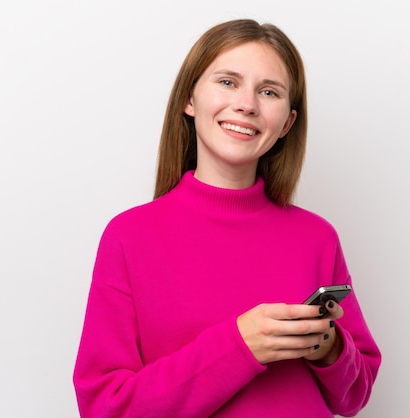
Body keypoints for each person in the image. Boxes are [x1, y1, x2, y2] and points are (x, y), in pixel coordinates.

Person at [73, 18, 381, 417]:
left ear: (287, 122)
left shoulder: (317, 237)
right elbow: (104, 408)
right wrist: (241, 346)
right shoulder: (129, 237)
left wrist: (327, 346)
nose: (247, 104)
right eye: (228, 82)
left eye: (269, 91)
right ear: (189, 99)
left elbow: (354, 396)